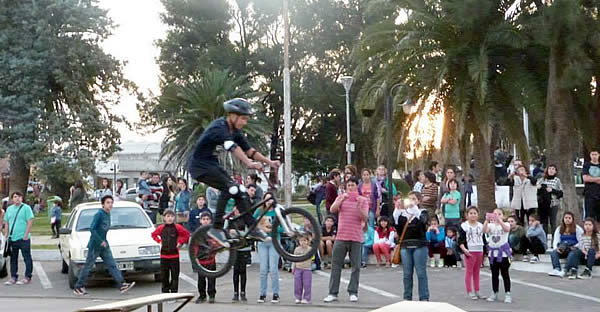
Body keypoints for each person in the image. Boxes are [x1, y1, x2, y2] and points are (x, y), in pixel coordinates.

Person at [187, 98, 280, 246]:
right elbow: (232, 147)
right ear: (232, 115)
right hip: (199, 166)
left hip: (212, 163)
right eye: (243, 118)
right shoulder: (219, 127)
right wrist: (249, 163)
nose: (245, 122)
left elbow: (249, 150)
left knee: (241, 191)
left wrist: (269, 162)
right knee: (230, 187)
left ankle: (252, 227)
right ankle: (216, 228)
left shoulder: (234, 131)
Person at [73, 195, 135, 295]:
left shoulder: (108, 214)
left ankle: (122, 284)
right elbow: (92, 229)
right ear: (103, 204)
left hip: (104, 245)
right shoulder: (99, 214)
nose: (110, 205)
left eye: (111, 202)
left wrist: (104, 242)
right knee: (88, 266)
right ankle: (78, 287)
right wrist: (100, 241)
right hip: (95, 245)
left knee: (112, 265)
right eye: (108, 202)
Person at [323, 177, 369, 303]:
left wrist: (359, 207)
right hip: (341, 236)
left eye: (353, 185)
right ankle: (333, 293)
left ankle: (353, 292)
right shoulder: (341, 197)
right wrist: (341, 199)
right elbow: (332, 210)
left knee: (356, 266)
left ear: (357, 186)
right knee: (336, 265)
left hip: (356, 237)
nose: (350, 187)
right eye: (348, 185)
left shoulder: (363, 200)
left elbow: (365, 219)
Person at [393, 191, 429, 301]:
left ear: (418, 201)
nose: (411, 201)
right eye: (410, 199)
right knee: (407, 274)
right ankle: (407, 297)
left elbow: (423, 223)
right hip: (406, 246)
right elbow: (398, 228)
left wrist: (415, 209)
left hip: (419, 246)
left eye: (414, 199)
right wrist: (397, 210)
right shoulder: (403, 214)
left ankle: (424, 297)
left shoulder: (422, 212)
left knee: (421, 273)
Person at [151, 209, 190, 294]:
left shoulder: (177, 227)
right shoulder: (161, 228)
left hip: (174, 256)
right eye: (168, 216)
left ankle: (174, 293)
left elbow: (186, 234)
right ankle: (165, 292)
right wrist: (159, 241)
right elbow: (153, 234)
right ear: (164, 218)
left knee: (175, 276)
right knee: (164, 276)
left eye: (172, 216)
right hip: (164, 256)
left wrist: (180, 242)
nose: (170, 218)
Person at [252, 192, 281, 303]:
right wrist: (260, 229)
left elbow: (283, 228)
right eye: (267, 199)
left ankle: (275, 293)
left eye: (271, 199)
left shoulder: (277, 212)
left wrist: (273, 228)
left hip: (274, 241)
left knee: (273, 269)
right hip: (262, 242)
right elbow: (251, 224)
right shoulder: (259, 211)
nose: (269, 201)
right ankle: (262, 293)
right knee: (263, 269)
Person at [3, 192, 34, 285]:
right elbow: (7, 223)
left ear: (22, 198)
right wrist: (6, 235)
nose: (17, 198)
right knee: (13, 258)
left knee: (27, 257)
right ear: (12, 199)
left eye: (19, 197)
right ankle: (13, 277)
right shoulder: (9, 209)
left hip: (23, 238)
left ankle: (28, 276)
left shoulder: (26, 208)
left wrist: (26, 234)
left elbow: (30, 221)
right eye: (15, 197)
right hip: (13, 238)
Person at [484, 208, 512, 303]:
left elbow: (506, 229)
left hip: (503, 254)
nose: (497, 216)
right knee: (494, 275)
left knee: (505, 274)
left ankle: (508, 293)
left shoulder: (506, 224)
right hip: (493, 254)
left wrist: (500, 221)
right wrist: (486, 221)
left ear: (503, 216)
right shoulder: (491, 226)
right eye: (495, 214)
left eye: (499, 214)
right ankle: (494, 292)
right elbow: (484, 231)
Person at [459, 206, 485, 300]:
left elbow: (484, 239)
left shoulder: (481, 226)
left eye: (475, 213)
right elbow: (460, 240)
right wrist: (464, 250)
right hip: (470, 251)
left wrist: (485, 252)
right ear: (467, 215)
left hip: (479, 250)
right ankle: (469, 291)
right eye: (471, 213)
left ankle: (477, 290)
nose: (473, 215)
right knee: (469, 272)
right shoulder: (464, 226)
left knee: (477, 272)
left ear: (478, 215)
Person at [548, 212, 584, 277]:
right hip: (563, 248)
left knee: (572, 254)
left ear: (572, 219)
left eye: (569, 218)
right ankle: (557, 268)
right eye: (566, 218)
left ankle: (565, 270)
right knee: (553, 253)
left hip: (574, 248)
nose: (567, 219)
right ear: (563, 219)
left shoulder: (577, 229)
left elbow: (581, 241)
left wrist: (574, 246)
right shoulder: (559, 228)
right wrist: (557, 248)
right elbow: (556, 240)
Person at [194, 212, 218, 303]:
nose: (205, 221)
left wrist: (213, 252)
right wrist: (195, 257)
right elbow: (194, 245)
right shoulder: (198, 232)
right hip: (201, 260)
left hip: (211, 260)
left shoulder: (213, 232)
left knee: (211, 279)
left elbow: (217, 244)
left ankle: (212, 295)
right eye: (203, 219)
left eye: (207, 219)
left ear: (210, 221)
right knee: (201, 279)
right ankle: (202, 295)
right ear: (200, 221)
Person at [537, 165, 563, 235]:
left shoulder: (557, 180)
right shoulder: (542, 180)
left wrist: (552, 190)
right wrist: (539, 188)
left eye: (553, 169)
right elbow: (536, 191)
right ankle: (544, 239)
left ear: (555, 171)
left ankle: (553, 240)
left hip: (553, 204)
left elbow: (561, 193)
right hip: (543, 204)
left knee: (553, 223)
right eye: (549, 169)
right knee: (544, 223)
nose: (551, 170)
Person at [231, 211, 250, 303]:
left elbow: (248, 233)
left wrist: (236, 232)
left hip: (244, 248)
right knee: (235, 271)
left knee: (243, 271)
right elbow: (227, 233)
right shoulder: (230, 220)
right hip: (235, 248)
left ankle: (243, 292)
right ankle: (235, 292)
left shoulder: (246, 220)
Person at [293, 233, 313, 304]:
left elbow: (312, 258)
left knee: (307, 284)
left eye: (304, 240)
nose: (303, 242)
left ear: (308, 241)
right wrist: (293, 267)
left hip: (307, 269)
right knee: (297, 284)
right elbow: (294, 259)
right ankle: (298, 297)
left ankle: (306, 298)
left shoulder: (310, 249)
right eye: (301, 241)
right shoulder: (297, 249)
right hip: (298, 268)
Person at [582, 149, 600, 220]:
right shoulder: (586, 165)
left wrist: (591, 178)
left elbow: (589, 178)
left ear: (598, 155)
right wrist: (598, 179)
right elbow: (585, 178)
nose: (594, 156)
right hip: (589, 194)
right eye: (592, 155)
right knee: (589, 216)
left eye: (595, 154)